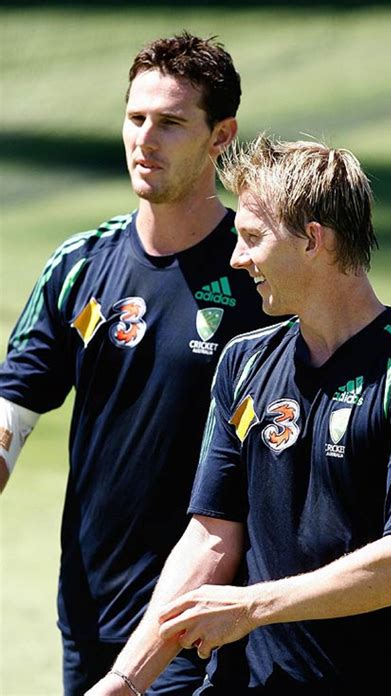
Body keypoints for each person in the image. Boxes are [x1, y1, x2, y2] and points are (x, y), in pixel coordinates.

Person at [86, 135, 391, 696]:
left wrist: (252, 607)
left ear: (313, 239)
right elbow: (210, 538)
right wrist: (125, 681)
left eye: (252, 238)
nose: (237, 257)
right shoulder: (243, 362)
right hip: (247, 684)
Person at [0, 35, 280, 696]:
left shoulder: (260, 275)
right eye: (136, 118)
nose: (145, 139)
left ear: (221, 137)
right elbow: (15, 405)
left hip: (205, 619)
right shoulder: (80, 263)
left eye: (171, 122)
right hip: (92, 611)